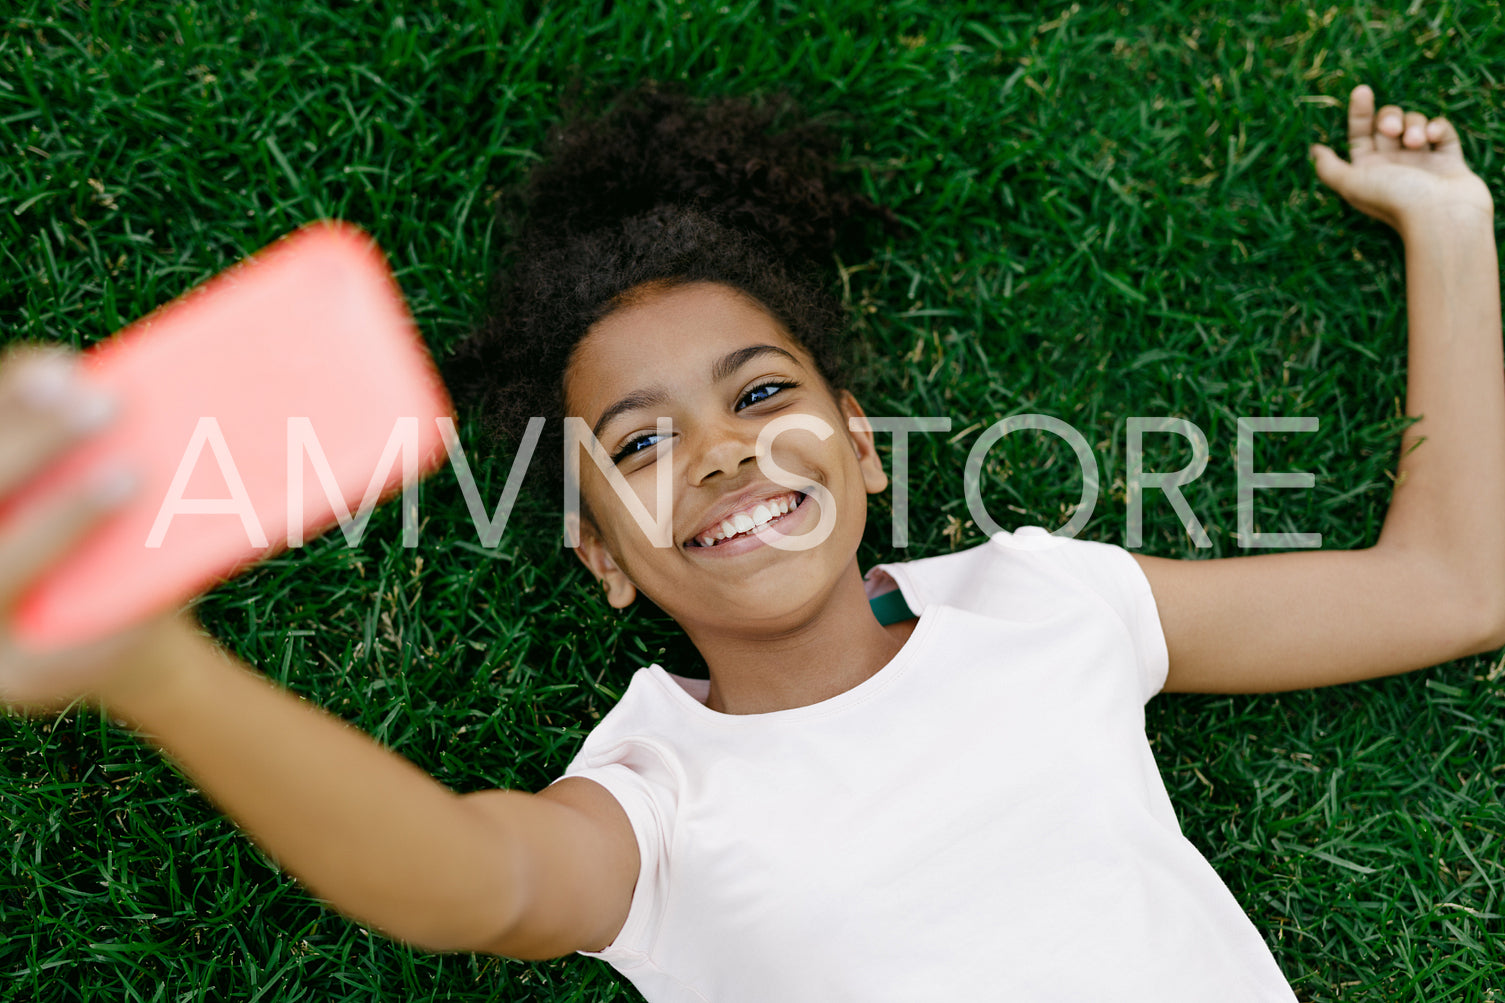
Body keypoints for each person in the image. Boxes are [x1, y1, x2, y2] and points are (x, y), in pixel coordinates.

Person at [0, 82, 1499, 1001]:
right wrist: (154, 669)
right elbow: (473, 882)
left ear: (856, 441)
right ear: (603, 553)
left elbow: (1452, 585)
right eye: (639, 444)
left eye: (762, 395)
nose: (716, 451)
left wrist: (1449, 227)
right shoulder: (655, 794)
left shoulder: (1047, 602)